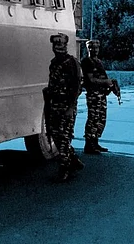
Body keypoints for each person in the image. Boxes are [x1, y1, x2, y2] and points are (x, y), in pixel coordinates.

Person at [45, 33, 84, 182]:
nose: (58, 47)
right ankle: (73, 160)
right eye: (55, 44)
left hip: (66, 106)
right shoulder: (54, 63)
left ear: (66, 45)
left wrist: (70, 107)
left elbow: (77, 87)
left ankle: (65, 169)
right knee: (55, 135)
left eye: (61, 44)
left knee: (64, 137)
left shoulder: (71, 63)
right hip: (54, 105)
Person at [81, 40, 119, 154]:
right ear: (88, 49)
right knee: (93, 119)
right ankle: (89, 144)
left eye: (97, 48)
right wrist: (106, 82)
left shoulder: (98, 61)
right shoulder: (87, 62)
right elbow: (91, 79)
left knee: (101, 119)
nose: (95, 50)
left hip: (101, 94)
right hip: (93, 95)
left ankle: (95, 142)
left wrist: (111, 85)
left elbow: (102, 77)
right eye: (92, 48)